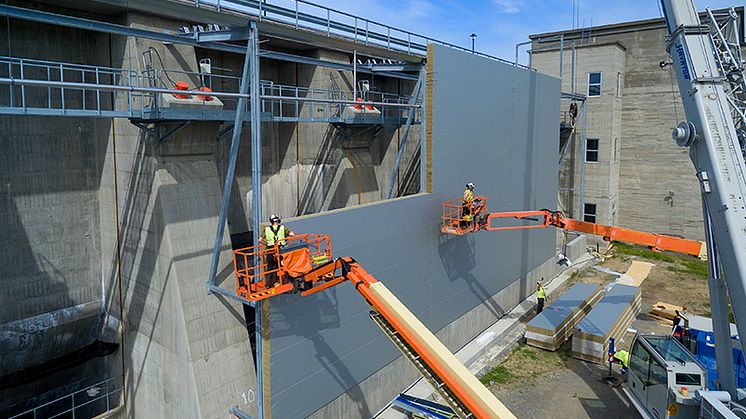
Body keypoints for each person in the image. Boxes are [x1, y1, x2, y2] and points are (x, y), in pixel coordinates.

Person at [260, 214, 295, 287]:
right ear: (278, 220)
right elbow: (292, 234)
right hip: (280, 250)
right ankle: (279, 281)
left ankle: (268, 284)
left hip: (270, 249)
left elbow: (260, 240)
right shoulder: (282, 228)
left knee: (270, 267)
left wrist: (267, 243)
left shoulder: (267, 229)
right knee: (280, 265)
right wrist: (285, 238)